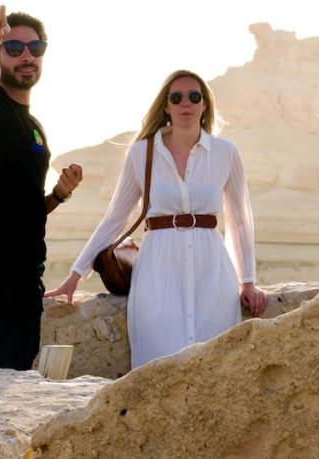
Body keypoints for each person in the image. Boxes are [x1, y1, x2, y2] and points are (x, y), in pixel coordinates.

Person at [45, 70, 266, 368]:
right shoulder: (142, 153)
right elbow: (116, 217)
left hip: (212, 273)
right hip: (157, 273)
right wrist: (75, 275)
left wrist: (248, 281)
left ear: (204, 105)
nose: (185, 103)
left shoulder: (226, 152)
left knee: (216, 368)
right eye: (176, 97)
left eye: (194, 96)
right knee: (157, 366)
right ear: (166, 106)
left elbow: (240, 219)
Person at [0, 5, 83, 370]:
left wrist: (58, 195)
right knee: (3, 380)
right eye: (13, 48)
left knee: (18, 374)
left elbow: (25, 207)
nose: (26, 56)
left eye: (35, 48)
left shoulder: (34, 127)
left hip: (27, 276)